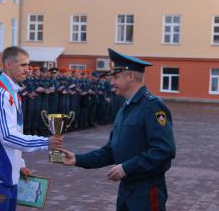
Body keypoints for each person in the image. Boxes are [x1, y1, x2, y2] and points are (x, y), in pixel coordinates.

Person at [61, 49, 176, 211]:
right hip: (126, 189)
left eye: (115, 77)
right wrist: (78, 159)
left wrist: (127, 167)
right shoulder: (125, 108)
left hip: (146, 190)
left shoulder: (152, 106)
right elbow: (111, 151)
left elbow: (164, 150)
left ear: (130, 77)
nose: (111, 82)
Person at [0, 46, 63, 211]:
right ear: (8, 64)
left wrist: (19, 164)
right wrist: (45, 142)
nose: (28, 70)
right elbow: (8, 136)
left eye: (28, 65)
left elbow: (16, 131)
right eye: (23, 65)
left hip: (8, 173)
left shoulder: (12, 93)